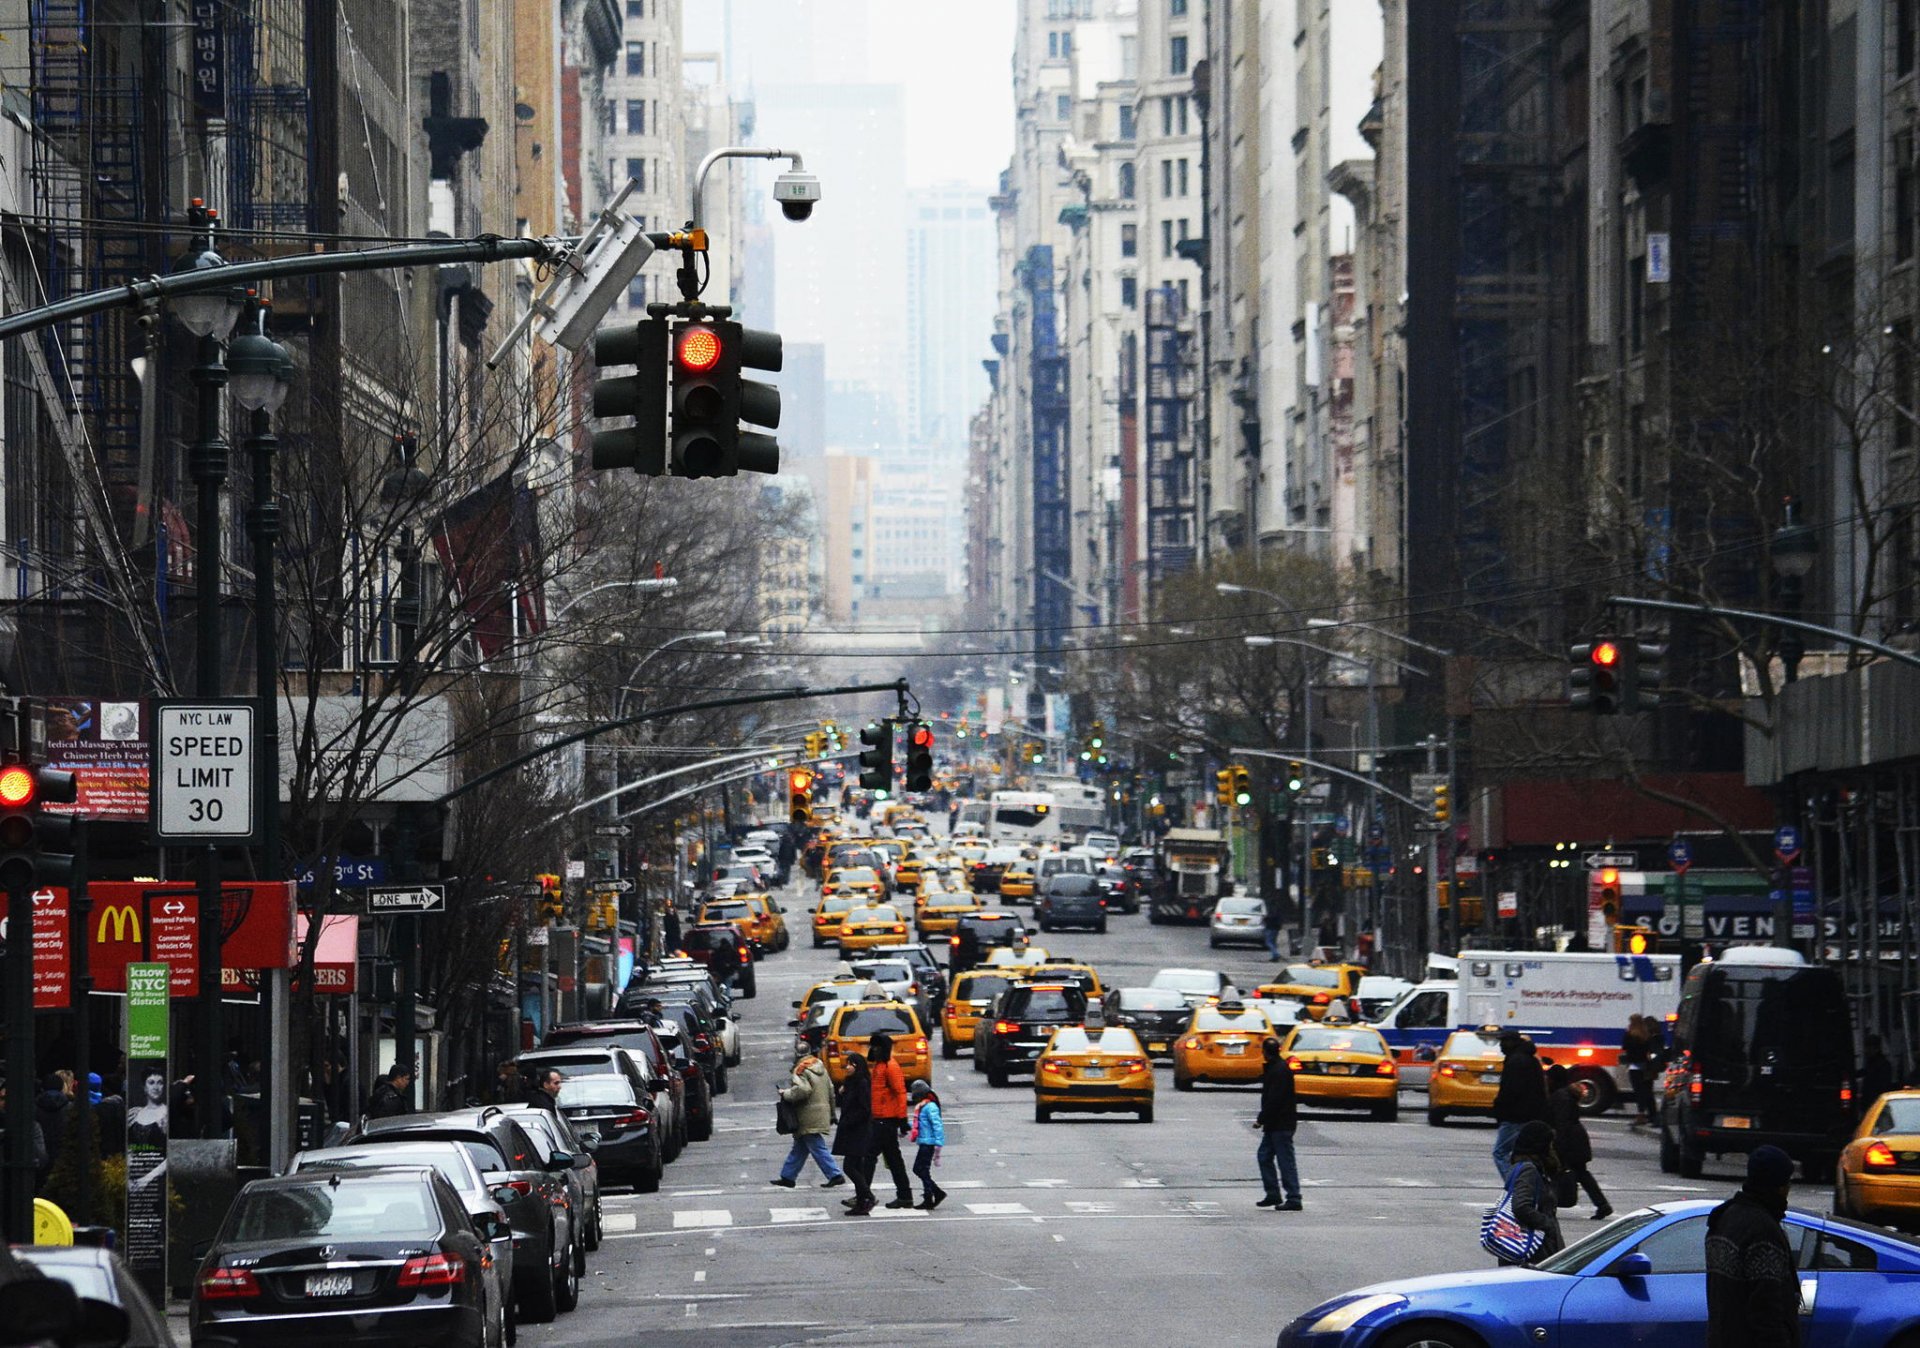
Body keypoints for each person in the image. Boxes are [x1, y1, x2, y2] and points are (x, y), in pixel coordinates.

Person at [1706, 1145, 1801, 1348]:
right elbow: (1767, 1310)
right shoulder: (1762, 1232)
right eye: (1787, 1183)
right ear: (1778, 1186)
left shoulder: (1723, 1218)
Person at [772, 1040, 844, 1188]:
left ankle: (835, 1174)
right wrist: (831, 1113)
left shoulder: (801, 1070)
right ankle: (788, 1176)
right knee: (800, 1147)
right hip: (821, 1112)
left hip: (807, 1114)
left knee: (816, 1146)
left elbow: (802, 1090)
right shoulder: (820, 1066)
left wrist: (785, 1093)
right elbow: (831, 1090)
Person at [1545, 1064, 1612, 1220]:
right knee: (1582, 1174)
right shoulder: (1565, 1094)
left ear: (1554, 1080)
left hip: (1570, 1141)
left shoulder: (1560, 1097)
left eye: (1548, 1078)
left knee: (1559, 1172)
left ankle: (1550, 1205)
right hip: (1576, 1140)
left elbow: (1562, 1124)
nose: (1546, 1081)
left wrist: (1559, 1147)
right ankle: (1602, 1205)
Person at [1498, 1119, 1564, 1265]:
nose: (1552, 1148)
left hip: (1531, 1246)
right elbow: (1521, 1206)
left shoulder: (1530, 1168)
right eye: (1549, 1144)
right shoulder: (1528, 1170)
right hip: (1533, 1248)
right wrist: (1547, 1224)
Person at [865, 1034, 915, 1210]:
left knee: (870, 1156)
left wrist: (902, 1119)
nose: (873, 1050)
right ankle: (904, 1196)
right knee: (894, 1160)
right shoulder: (880, 1066)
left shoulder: (890, 1066)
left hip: (886, 1120)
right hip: (881, 1118)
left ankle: (864, 1196)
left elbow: (900, 1092)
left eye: (876, 1047)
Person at [1490, 1032, 1549, 1178]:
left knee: (1500, 1152)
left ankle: (1515, 1184)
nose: (1500, 1046)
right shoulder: (1531, 1060)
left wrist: (1499, 1108)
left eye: (1503, 1042)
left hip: (1515, 1116)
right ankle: (1524, 1182)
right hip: (1531, 1114)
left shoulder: (1515, 1062)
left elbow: (1510, 1090)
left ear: (1511, 1042)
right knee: (1521, 1153)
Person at [1254, 1038, 1302, 1211]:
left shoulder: (1278, 1070)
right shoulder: (1278, 1068)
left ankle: (1294, 1197)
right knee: (1264, 1156)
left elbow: (1274, 1099)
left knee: (1285, 1161)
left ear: (1265, 1052)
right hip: (1276, 1124)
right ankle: (1273, 1193)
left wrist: (1261, 1119)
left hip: (1281, 1124)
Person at [831, 1054, 876, 1216]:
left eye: (851, 1065)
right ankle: (862, 1202)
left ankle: (868, 1197)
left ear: (858, 1067)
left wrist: (848, 1122)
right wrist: (842, 1093)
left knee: (849, 1167)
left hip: (858, 1131)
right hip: (852, 1131)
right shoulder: (851, 1083)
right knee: (856, 1167)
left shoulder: (862, 1083)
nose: (847, 1067)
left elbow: (865, 1109)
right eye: (847, 1064)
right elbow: (846, 1104)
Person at [907, 1080, 947, 1209]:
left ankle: (931, 1195)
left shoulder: (930, 1107)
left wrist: (938, 1143)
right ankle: (934, 1193)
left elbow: (937, 1125)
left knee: (920, 1169)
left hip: (928, 1143)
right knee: (920, 1169)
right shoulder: (924, 1106)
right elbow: (918, 1124)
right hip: (924, 1141)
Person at [1621, 1014, 1658, 1126]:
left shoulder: (1630, 1035)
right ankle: (1653, 1115)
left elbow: (1625, 1047)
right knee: (1647, 1092)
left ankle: (1641, 1115)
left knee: (1639, 1092)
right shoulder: (1646, 1035)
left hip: (1634, 1066)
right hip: (1646, 1067)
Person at [1860, 1033, 1895, 1114]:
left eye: (1869, 1048)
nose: (1866, 1051)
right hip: (1873, 1101)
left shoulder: (1881, 1064)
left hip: (1875, 1102)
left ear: (1875, 1048)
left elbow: (1883, 1085)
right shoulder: (1874, 1063)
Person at [1261, 895, 1285, 962]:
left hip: (1270, 927)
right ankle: (1274, 955)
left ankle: (1275, 954)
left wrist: (1265, 919)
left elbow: (1270, 917)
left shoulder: (1271, 910)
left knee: (1268, 942)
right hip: (1276, 927)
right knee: (1273, 942)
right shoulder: (1279, 909)